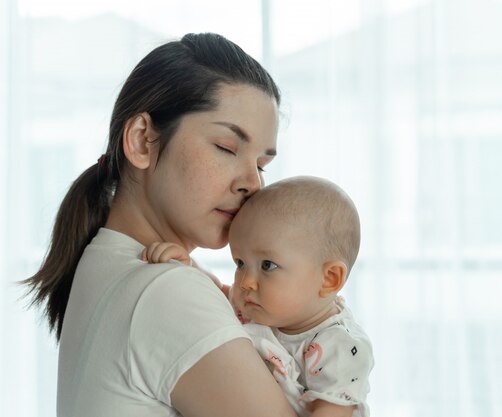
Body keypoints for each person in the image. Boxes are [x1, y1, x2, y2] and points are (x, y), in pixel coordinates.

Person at [22, 33, 297, 417]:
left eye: (262, 165)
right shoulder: (166, 289)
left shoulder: (105, 261)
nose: (252, 183)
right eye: (227, 148)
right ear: (141, 141)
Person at [142, 176, 375, 417]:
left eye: (268, 266)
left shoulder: (341, 346)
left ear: (329, 279)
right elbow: (218, 296)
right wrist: (189, 267)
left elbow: (332, 412)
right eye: (240, 263)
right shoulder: (256, 306)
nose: (246, 282)